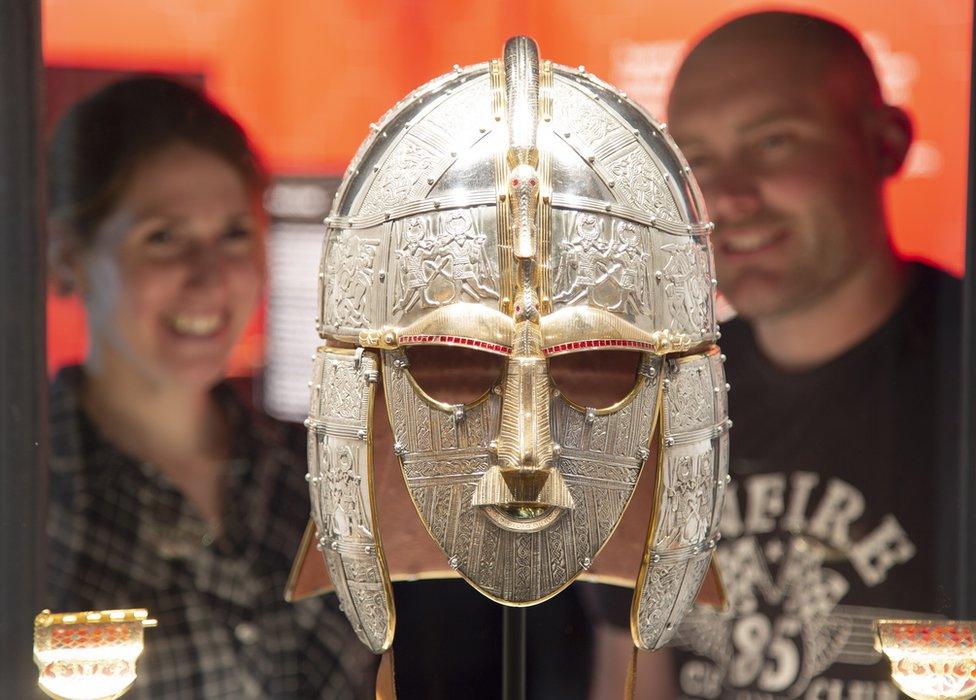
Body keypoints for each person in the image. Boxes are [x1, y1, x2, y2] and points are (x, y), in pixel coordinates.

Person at [45, 76, 375, 698]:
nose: (209, 277)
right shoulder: (37, 496)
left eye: (233, 235)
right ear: (69, 257)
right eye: (163, 237)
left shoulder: (320, 476)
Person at [665, 11, 961, 699]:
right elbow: (634, 666)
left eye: (773, 141)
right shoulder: (669, 398)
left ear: (884, 144)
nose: (730, 195)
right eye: (697, 160)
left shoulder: (962, 368)